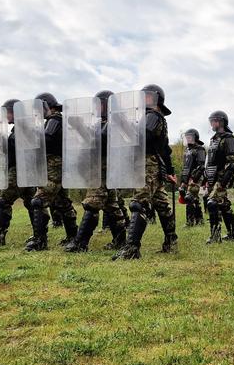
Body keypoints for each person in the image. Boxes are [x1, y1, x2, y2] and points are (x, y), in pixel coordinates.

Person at [112, 84, 177, 260]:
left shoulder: (154, 116)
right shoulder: (147, 118)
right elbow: (165, 149)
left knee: (138, 203)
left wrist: (125, 124)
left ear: (157, 99)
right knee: (162, 206)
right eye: (143, 96)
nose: (144, 99)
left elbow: (144, 137)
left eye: (148, 96)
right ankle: (171, 241)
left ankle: (132, 248)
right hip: (148, 165)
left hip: (149, 165)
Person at [64, 90, 128, 253]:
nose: (96, 108)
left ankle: (80, 243)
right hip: (97, 168)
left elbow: (98, 140)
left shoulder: (116, 121)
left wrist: (80, 127)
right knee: (111, 206)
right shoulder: (100, 122)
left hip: (103, 169)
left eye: (99, 104)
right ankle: (120, 241)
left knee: (92, 203)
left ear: (108, 105)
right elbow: (91, 141)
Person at [24, 93, 78, 251]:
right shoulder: (55, 121)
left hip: (55, 167)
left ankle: (40, 240)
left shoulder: (55, 120)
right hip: (58, 167)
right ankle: (73, 236)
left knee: (38, 201)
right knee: (62, 203)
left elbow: (46, 139)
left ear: (47, 106)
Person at [0, 99, 36, 248]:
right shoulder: (19, 128)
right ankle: (39, 236)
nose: (6, 116)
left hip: (20, 170)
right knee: (31, 202)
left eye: (8, 112)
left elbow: (18, 148)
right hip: (22, 170)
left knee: (3, 201)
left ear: (15, 113)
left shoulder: (24, 128)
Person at [204, 112, 234, 243]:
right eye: (211, 121)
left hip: (222, 177)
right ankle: (233, 234)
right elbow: (210, 161)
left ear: (221, 122)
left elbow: (231, 164)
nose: (212, 124)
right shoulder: (214, 139)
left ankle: (215, 236)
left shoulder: (228, 138)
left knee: (212, 203)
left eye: (214, 121)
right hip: (213, 176)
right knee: (223, 205)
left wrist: (224, 181)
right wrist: (207, 177)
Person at [179, 128, 206, 227]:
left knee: (189, 197)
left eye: (189, 137)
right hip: (188, 177)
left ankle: (189, 222)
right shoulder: (187, 150)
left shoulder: (200, 149)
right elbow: (186, 166)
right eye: (186, 137)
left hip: (196, 177)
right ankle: (200, 220)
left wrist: (194, 179)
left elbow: (201, 166)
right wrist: (183, 180)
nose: (188, 139)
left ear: (195, 137)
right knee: (194, 199)